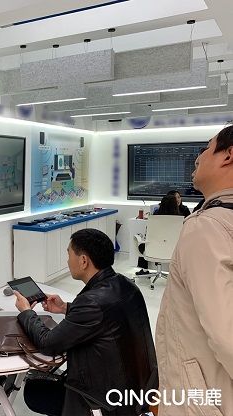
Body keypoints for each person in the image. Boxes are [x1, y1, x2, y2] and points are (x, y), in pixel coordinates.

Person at [14, 229, 157, 416]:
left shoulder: (91, 302)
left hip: (102, 402)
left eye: (69, 254)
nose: (67, 261)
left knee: (33, 390)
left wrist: (26, 312)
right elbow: (106, 315)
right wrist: (65, 307)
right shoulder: (127, 285)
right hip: (134, 391)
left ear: (83, 261)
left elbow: (48, 343)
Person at [156, 123, 233, 416]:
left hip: (203, 396)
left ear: (228, 155)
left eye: (207, 147)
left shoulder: (207, 227)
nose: (198, 157)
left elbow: (227, 337)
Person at [135, 194, 182, 275]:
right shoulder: (180, 218)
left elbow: (148, 234)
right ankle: (178, 274)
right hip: (173, 251)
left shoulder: (155, 217)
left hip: (153, 250)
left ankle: (144, 270)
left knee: (143, 244)